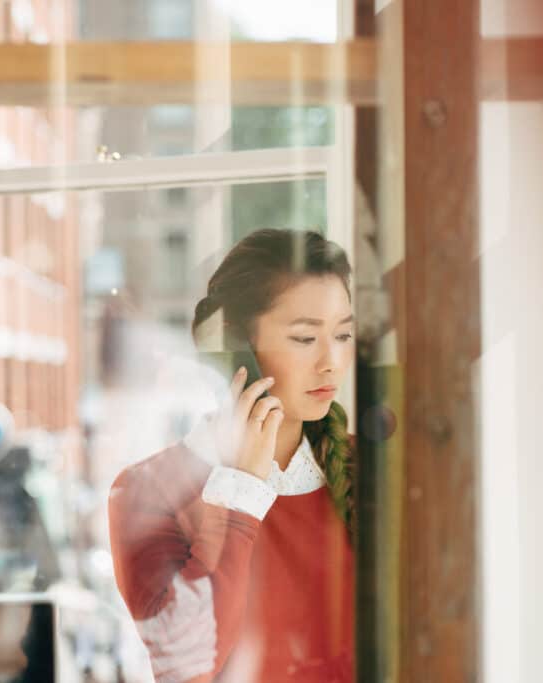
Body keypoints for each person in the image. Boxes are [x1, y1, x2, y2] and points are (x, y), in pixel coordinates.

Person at [108, 229, 357, 682]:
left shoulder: (371, 467)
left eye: (343, 334)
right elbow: (187, 668)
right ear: (234, 346)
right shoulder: (146, 491)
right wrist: (242, 490)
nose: (332, 361)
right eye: (305, 338)